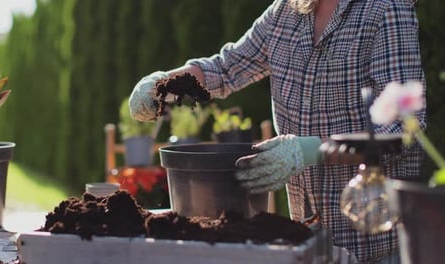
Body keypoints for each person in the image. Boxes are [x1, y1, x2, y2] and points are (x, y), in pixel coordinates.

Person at [129, 0, 425, 263]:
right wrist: (164, 83)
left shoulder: (386, 9)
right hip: (308, 241)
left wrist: (311, 151)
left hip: (376, 242)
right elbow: (226, 68)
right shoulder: (287, 12)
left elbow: (402, 129)